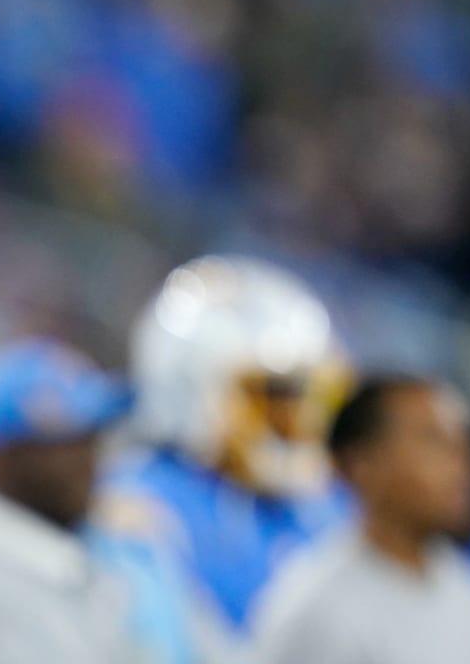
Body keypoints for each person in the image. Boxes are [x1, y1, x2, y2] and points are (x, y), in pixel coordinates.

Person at [0, 338, 194, 664]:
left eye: (90, 441)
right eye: (59, 448)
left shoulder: (115, 554)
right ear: (1, 457)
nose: (85, 464)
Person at [98, 255, 352, 647]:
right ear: (189, 387)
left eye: (303, 397)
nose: (294, 421)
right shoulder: (136, 503)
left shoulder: (324, 510)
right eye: (271, 396)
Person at [251, 376, 470, 663]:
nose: (463, 464)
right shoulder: (320, 613)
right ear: (363, 465)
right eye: (434, 441)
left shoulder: (468, 587)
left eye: (462, 444)